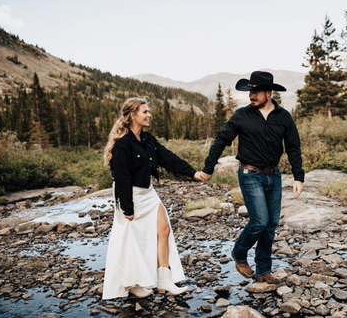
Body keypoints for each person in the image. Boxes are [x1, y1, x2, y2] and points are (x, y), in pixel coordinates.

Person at [200, 71, 304, 283]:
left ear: (269, 92)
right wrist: (208, 167)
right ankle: (239, 253)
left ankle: (263, 271)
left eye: (256, 91)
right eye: (250, 91)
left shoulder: (284, 116)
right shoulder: (242, 115)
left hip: (274, 176)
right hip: (250, 174)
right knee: (259, 221)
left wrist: (298, 176)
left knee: (271, 225)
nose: (251, 95)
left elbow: (293, 147)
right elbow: (221, 140)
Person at [102, 97, 203, 299]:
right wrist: (127, 209)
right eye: (144, 112)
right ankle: (133, 283)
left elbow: (168, 158)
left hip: (148, 193)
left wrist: (193, 173)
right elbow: (121, 178)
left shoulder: (148, 140)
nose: (149, 115)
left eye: (148, 111)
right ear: (132, 115)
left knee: (164, 230)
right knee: (132, 240)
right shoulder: (123, 145)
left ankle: (164, 279)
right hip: (130, 195)